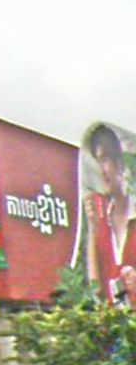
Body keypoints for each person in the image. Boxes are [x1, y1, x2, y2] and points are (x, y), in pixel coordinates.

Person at [85, 124, 136, 306]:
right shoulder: (102, 222)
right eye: (98, 161)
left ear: (120, 164)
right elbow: (96, 289)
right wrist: (92, 229)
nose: (101, 170)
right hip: (117, 321)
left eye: (105, 159)